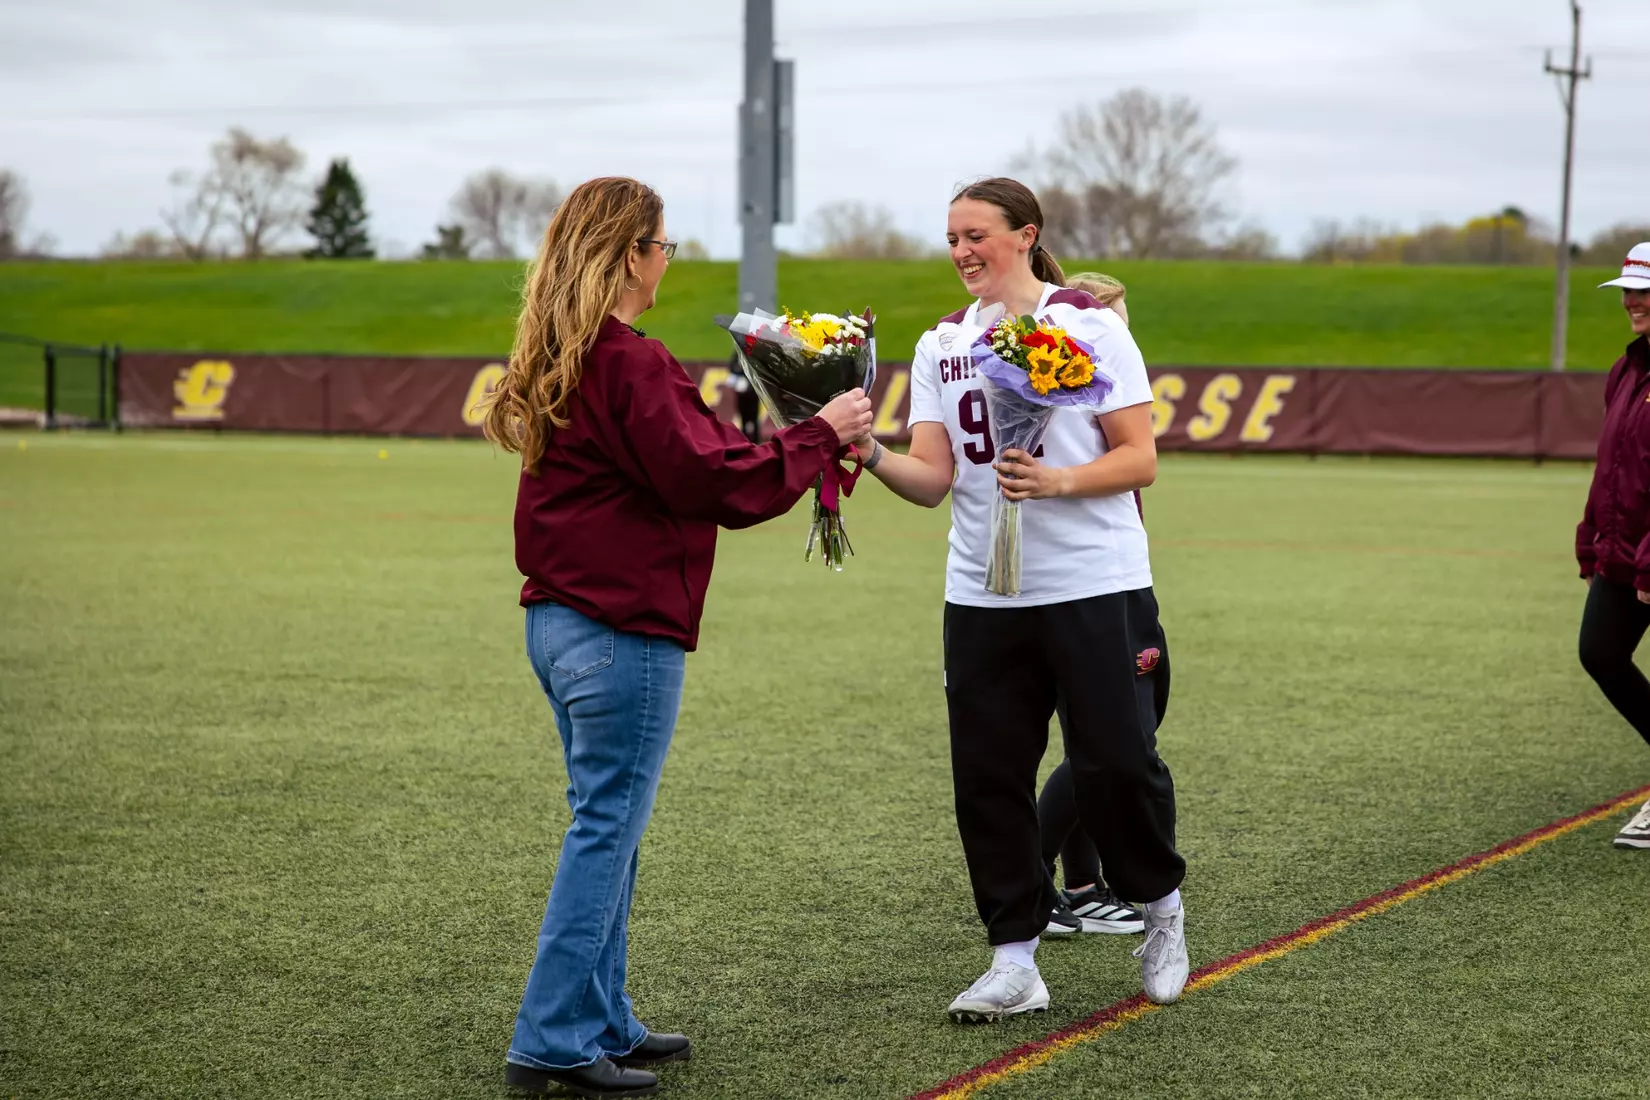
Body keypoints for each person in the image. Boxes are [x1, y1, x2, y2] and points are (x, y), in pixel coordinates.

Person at [481, 176, 873, 1098]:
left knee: (608, 829)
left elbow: (702, 462)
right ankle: (553, 1036)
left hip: (561, 623)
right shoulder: (629, 361)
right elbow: (714, 482)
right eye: (662, 246)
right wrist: (819, 435)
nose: (667, 261)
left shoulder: (571, 355)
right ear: (630, 256)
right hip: (620, 630)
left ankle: (601, 1016)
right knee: (605, 832)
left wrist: (797, 437)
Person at [855, 177, 1188, 1022]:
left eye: (977, 235)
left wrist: (1057, 480)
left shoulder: (1088, 325)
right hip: (981, 594)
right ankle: (1014, 959)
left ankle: (1160, 906)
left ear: (1026, 234)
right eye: (952, 238)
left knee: (1117, 763)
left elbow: (1140, 458)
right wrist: (868, 454)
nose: (962, 252)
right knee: (988, 777)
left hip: (1093, 583)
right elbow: (933, 478)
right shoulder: (942, 343)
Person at [1037, 271, 1147, 939]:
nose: (1126, 336)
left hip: (1107, 575)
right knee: (1115, 739)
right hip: (1084, 584)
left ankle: (1081, 885)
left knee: (1095, 740)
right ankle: (1035, 873)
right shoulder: (1078, 387)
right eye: (1118, 323)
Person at [1577, 240, 1650, 850]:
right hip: (1624, 553)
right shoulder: (1624, 371)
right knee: (1600, 652)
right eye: (1627, 290)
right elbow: (1612, 464)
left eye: (1644, 290)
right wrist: (1591, 537)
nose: (1631, 301)